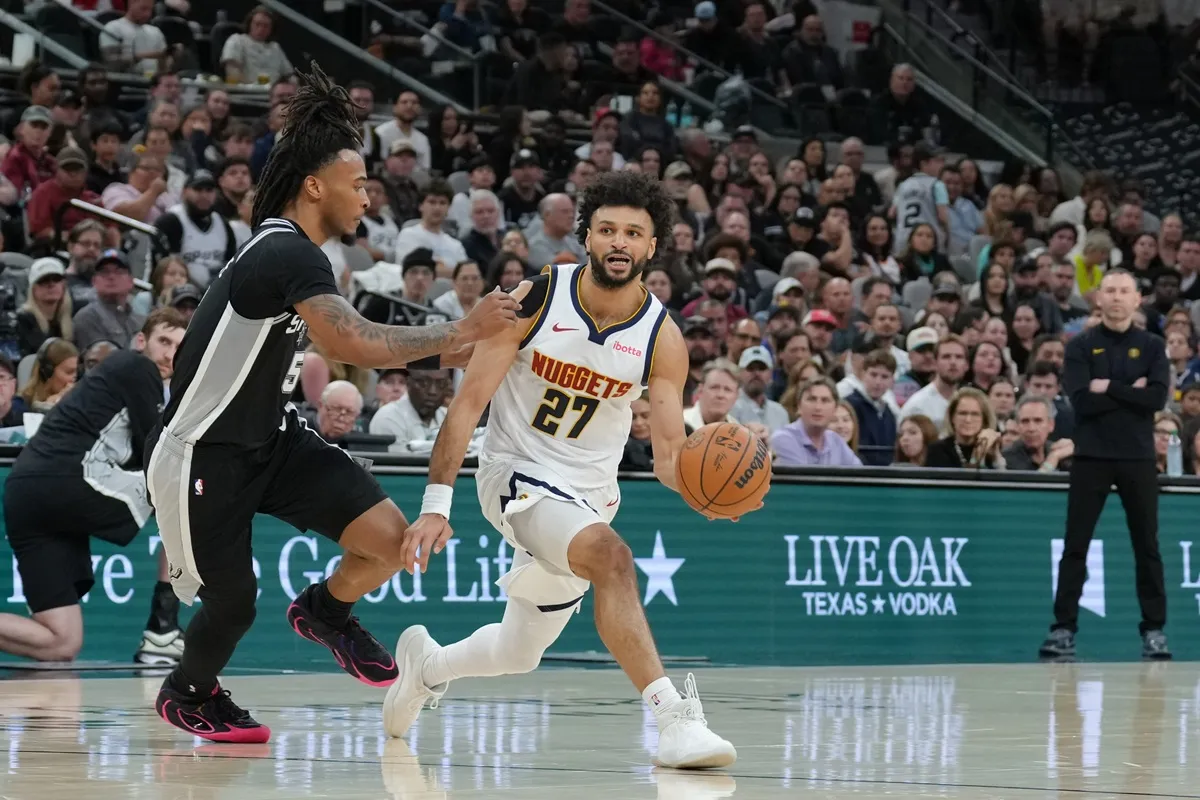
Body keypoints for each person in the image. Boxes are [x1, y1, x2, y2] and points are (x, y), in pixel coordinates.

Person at [144, 63, 524, 744]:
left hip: (274, 440)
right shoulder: (284, 252)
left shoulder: (302, 258)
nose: (366, 201)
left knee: (388, 544)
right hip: (203, 452)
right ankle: (187, 693)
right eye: (358, 186)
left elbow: (360, 340)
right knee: (232, 605)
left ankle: (325, 611)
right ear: (314, 186)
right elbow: (356, 342)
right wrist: (462, 331)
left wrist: (460, 348)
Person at [380, 170, 742, 770]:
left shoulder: (662, 337)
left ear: (653, 246)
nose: (619, 242)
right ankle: (674, 721)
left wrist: (706, 496)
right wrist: (435, 507)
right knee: (614, 559)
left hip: (589, 497)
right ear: (588, 237)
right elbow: (468, 404)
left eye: (633, 233)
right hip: (515, 475)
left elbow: (672, 458)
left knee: (520, 650)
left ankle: (426, 666)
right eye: (607, 230)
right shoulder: (536, 299)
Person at [0, 309, 187, 664]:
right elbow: (160, 456)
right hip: (63, 478)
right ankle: (163, 629)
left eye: (179, 347)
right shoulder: (137, 367)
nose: (169, 354)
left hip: (26, 494)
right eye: (164, 341)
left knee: (60, 642)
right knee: (184, 494)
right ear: (141, 341)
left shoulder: (118, 377)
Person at [1041, 270, 1171, 661]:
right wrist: (1132, 390)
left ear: (1137, 299)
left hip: (1137, 457)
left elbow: (1157, 400)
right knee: (1076, 543)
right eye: (1110, 290)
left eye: (1124, 291)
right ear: (1099, 298)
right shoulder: (1081, 345)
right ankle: (1063, 628)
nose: (1116, 298)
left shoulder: (1151, 345)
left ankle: (1154, 630)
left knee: (1146, 544)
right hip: (1091, 456)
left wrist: (1109, 387)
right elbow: (1082, 401)